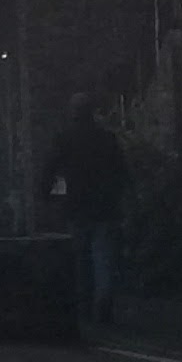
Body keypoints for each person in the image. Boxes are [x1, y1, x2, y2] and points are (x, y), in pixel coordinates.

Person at [40, 93, 131, 325]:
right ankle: (103, 299)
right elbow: (121, 172)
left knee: (80, 257)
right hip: (105, 206)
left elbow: (50, 168)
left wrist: (44, 196)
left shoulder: (65, 139)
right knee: (104, 256)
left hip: (76, 205)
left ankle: (86, 303)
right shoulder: (107, 139)